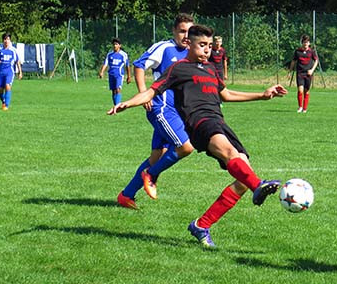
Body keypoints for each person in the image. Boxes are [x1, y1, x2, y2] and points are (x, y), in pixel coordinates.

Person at [108, 24, 287, 247]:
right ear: (189, 44)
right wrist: (129, 102)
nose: (207, 50)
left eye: (210, 46)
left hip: (219, 122)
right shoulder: (179, 69)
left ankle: (202, 225)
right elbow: (152, 91)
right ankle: (258, 185)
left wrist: (263, 95)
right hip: (199, 123)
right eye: (202, 45)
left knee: (242, 175)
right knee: (232, 155)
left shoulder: (212, 68)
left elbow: (227, 94)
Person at [116, 13, 196, 210]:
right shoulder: (165, 48)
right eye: (182, 31)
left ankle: (126, 195)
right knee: (186, 146)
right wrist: (144, 93)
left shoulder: (192, 52)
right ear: (174, 31)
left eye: (189, 32)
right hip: (161, 108)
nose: (186, 36)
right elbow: (139, 65)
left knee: (157, 155)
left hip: (176, 112)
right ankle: (150, 175)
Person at [288, 34, 318, 113]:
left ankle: (305, 108)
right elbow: (293, 62)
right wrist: (290, 71)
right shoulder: (297, 51)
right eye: (304, 42)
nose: (305, 44)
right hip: (300, 73)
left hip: (308, 74)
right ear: (302, 43)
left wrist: (312, 70)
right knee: (300, 90)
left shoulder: (311, 52)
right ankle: (300, 107)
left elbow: (316, 61)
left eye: (307, 42)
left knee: (306, 91)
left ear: (309, 43)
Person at [0, 33, 22, 111]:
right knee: (0, 90)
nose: (6, 41)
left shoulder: (13, 50)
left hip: (10, 72)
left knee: (7, 86)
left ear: (10, 40)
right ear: (3, 40)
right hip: (1, 72)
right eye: (5, 39)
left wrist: (20, 72)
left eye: (8, 39)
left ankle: (6, 105)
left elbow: (17, 61)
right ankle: (3, 101)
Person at [98, 38, 132, 105]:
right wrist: (102, 72)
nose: (115, 46)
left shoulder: (123, 55)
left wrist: (129, 76)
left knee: (118, 89)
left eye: (116, 44)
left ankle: (118, 106)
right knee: (113, 91)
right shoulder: (109, 54)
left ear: (120, 45)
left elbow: (127, 65)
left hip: (119, 75)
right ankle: (115, 106)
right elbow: (105, 64)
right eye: (114, 44)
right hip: (111, 74)